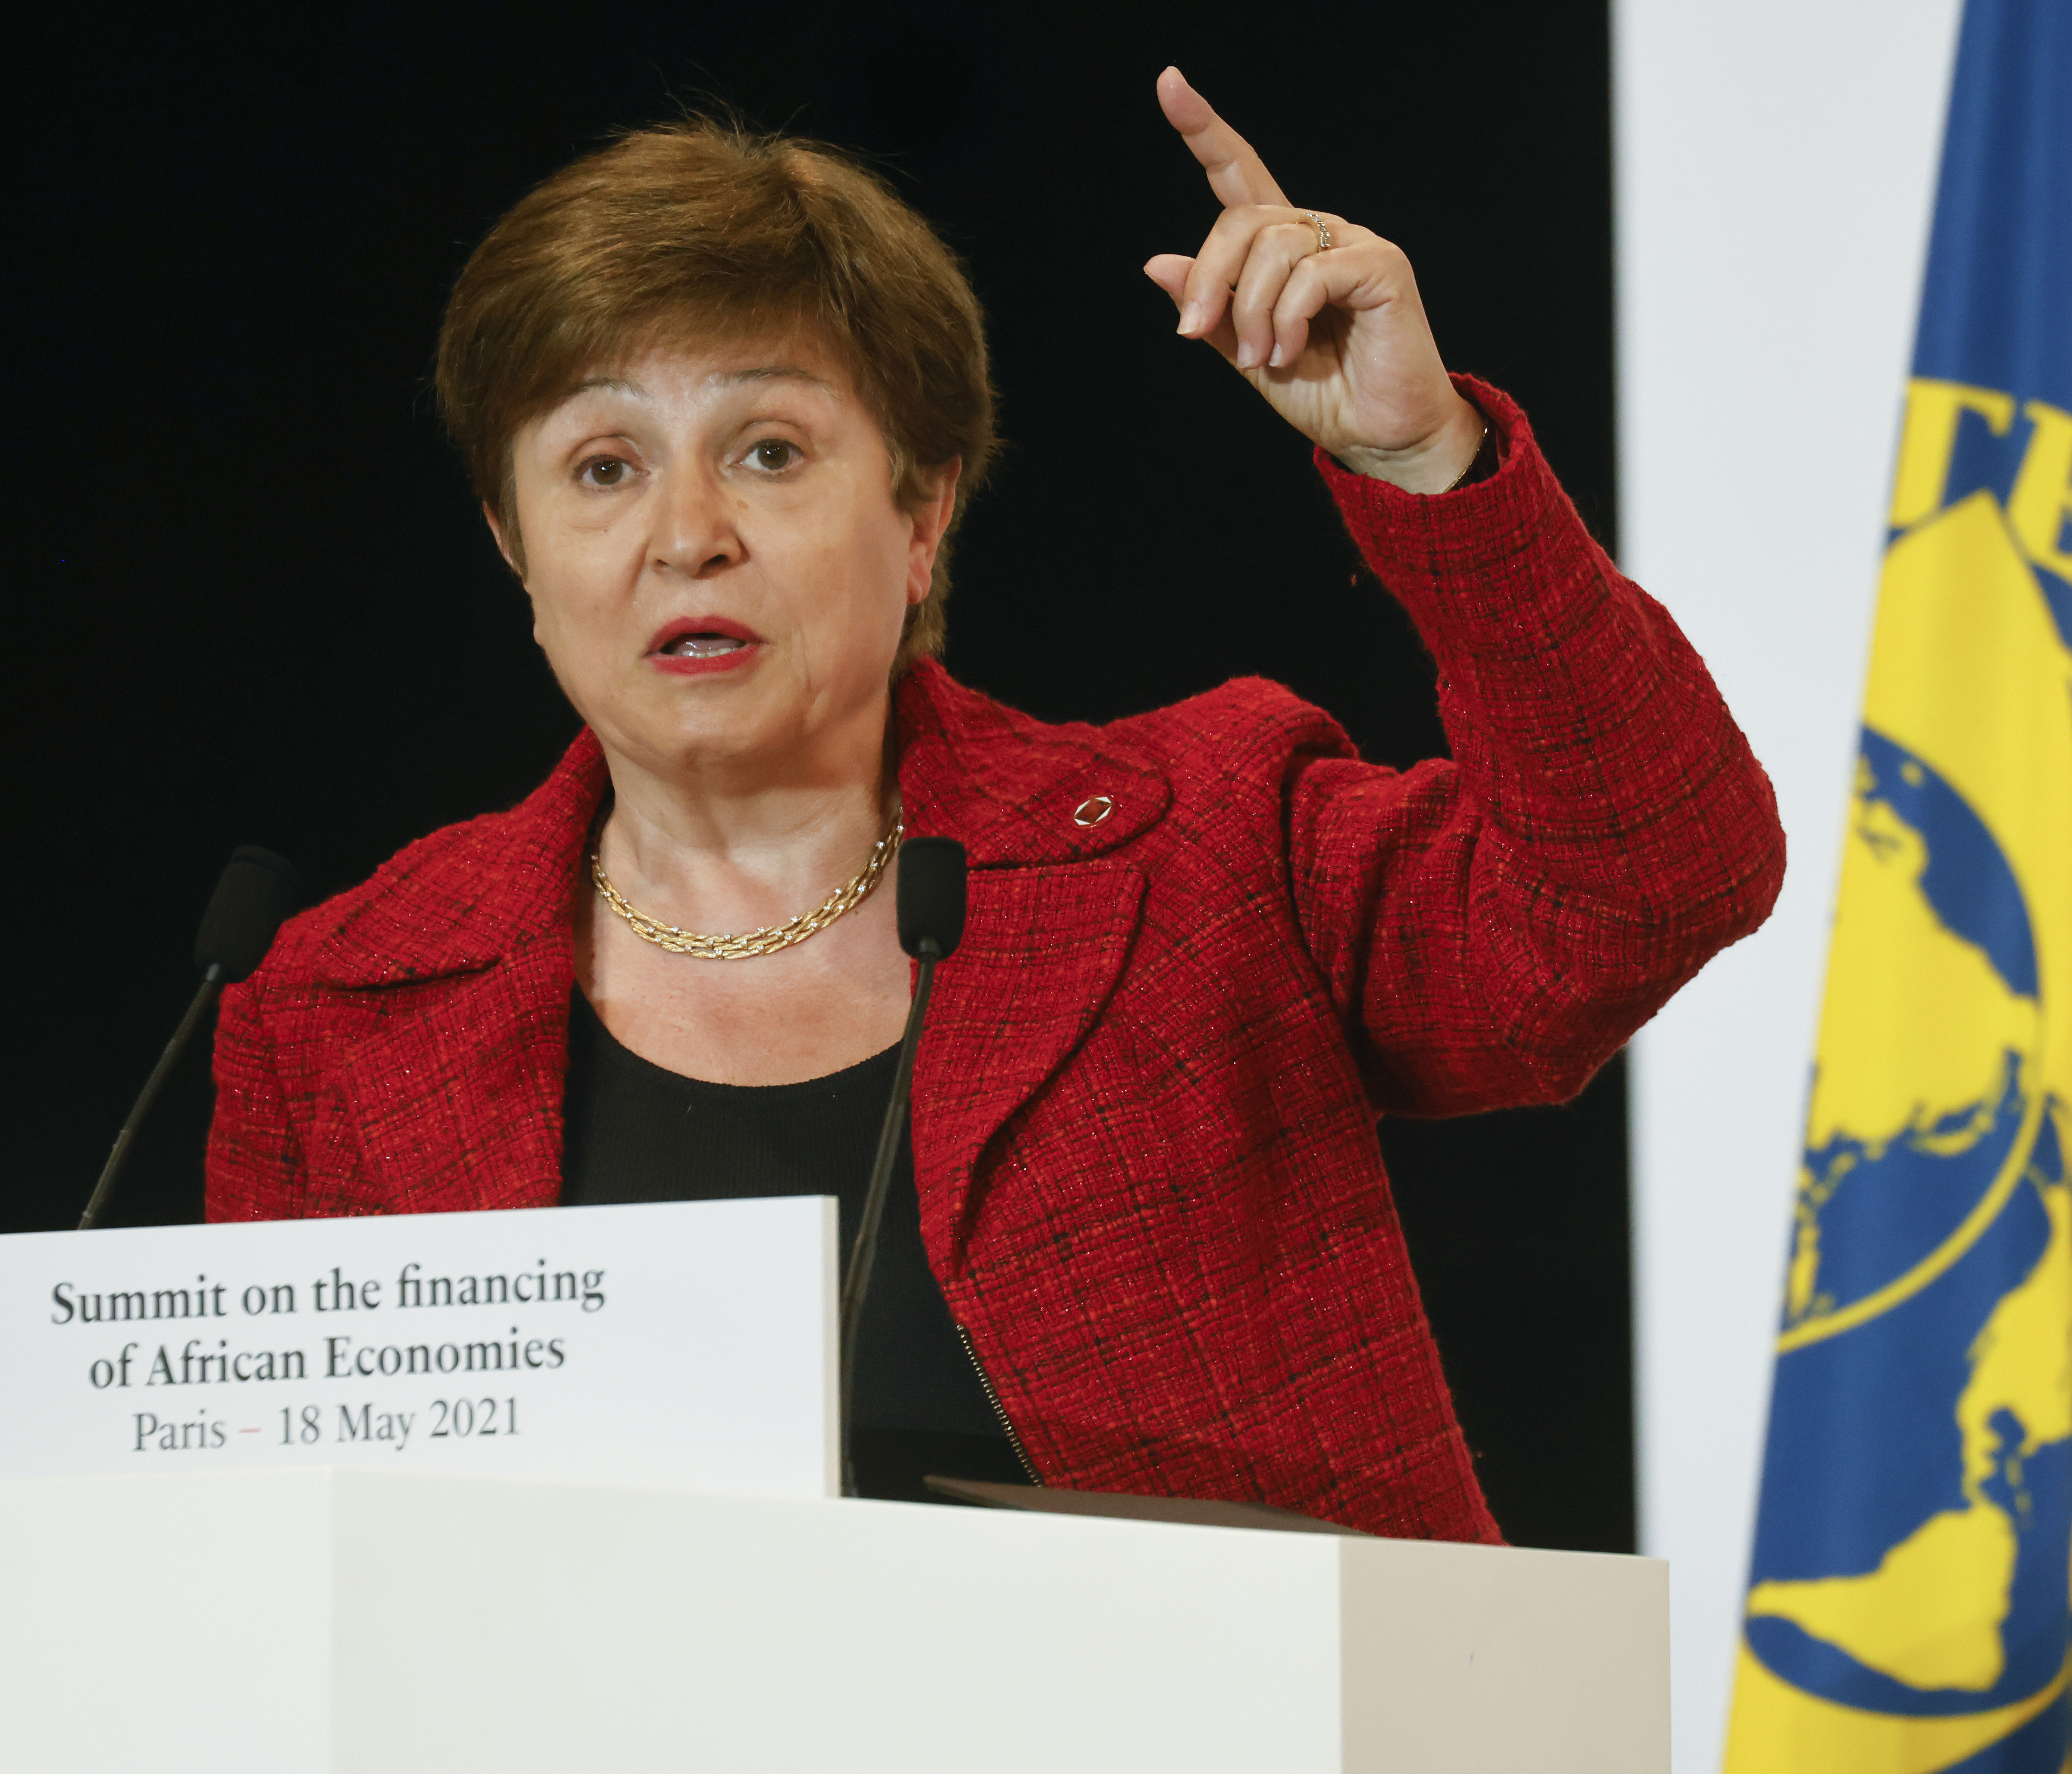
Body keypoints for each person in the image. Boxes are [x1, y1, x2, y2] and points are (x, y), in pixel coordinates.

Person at [206, 69, 1783, 1541]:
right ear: (515, 545)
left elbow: (1653, 880)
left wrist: (1425, 458)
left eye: (768, 451)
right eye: (603, 468)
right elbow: (275, 1561)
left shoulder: (1207, 851)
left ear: (923, 513)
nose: (687, 533)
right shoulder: (339, 1012)